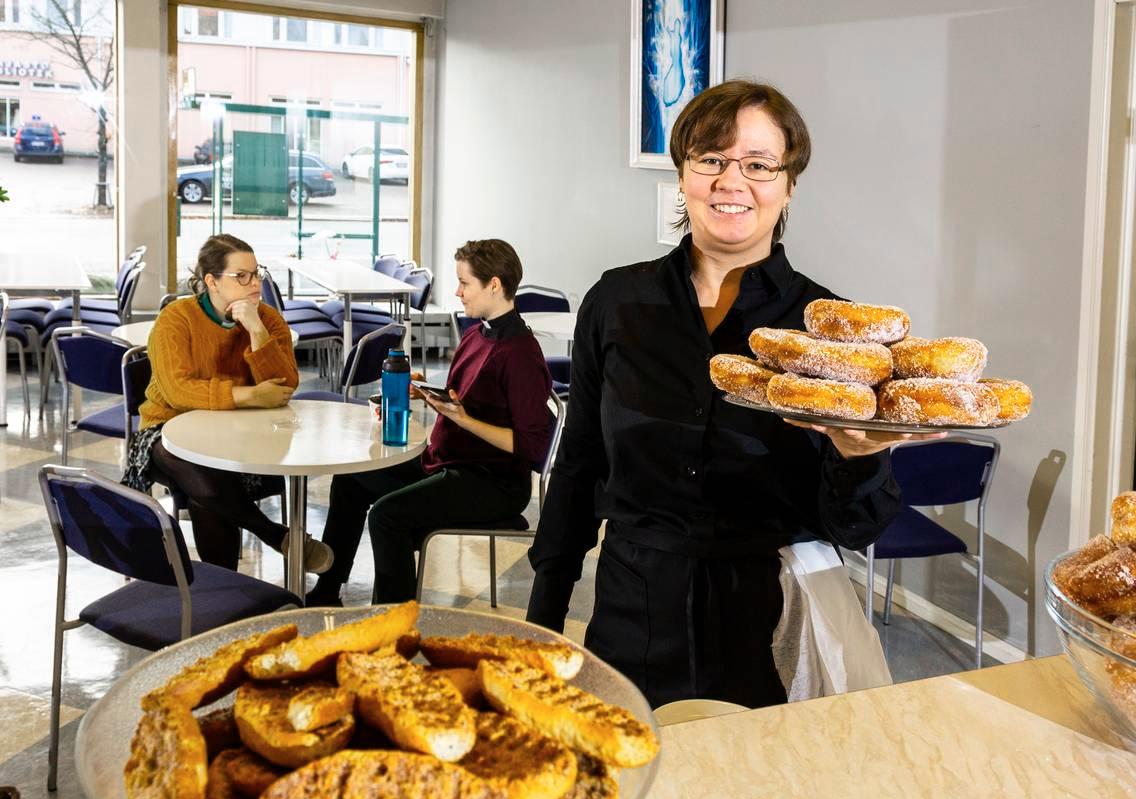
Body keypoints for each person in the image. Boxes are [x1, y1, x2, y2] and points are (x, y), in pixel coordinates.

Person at [525, 80, 940, 710]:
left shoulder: (827, 331)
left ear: (789, 183)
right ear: (684, 173)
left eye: (757, 164)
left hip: (770, 616)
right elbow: (580, 461)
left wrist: (860, 457)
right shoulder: (616, 301)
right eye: (711, 160)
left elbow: (855, 527)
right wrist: (544, 620)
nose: (731, 181)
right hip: (633, 605)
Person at [311, 239, 553, 606]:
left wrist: (464, 420)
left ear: (494, 285)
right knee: (350, 482)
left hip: (492, 483)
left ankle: (395, 623)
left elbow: (533, 446)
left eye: (464, 283)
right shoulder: (477, 332)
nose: (457, 292)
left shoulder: (520, 354)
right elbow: (461, 397)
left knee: (387, 516)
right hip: (447, 463)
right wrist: (426, 390)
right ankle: (327, 593)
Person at [122, 233, 334, 574]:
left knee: (207, 491)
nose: (255, 284)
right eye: (242, 276)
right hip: (167, 432)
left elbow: (285, 385)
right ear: (211, 281)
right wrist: (249, 395)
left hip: (240, 436)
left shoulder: (267, 319)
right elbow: (178, 392)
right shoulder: (176, 319)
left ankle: (225, 596)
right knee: (199, 470)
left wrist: (256, 330)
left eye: (257, 273)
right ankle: (274, 535)